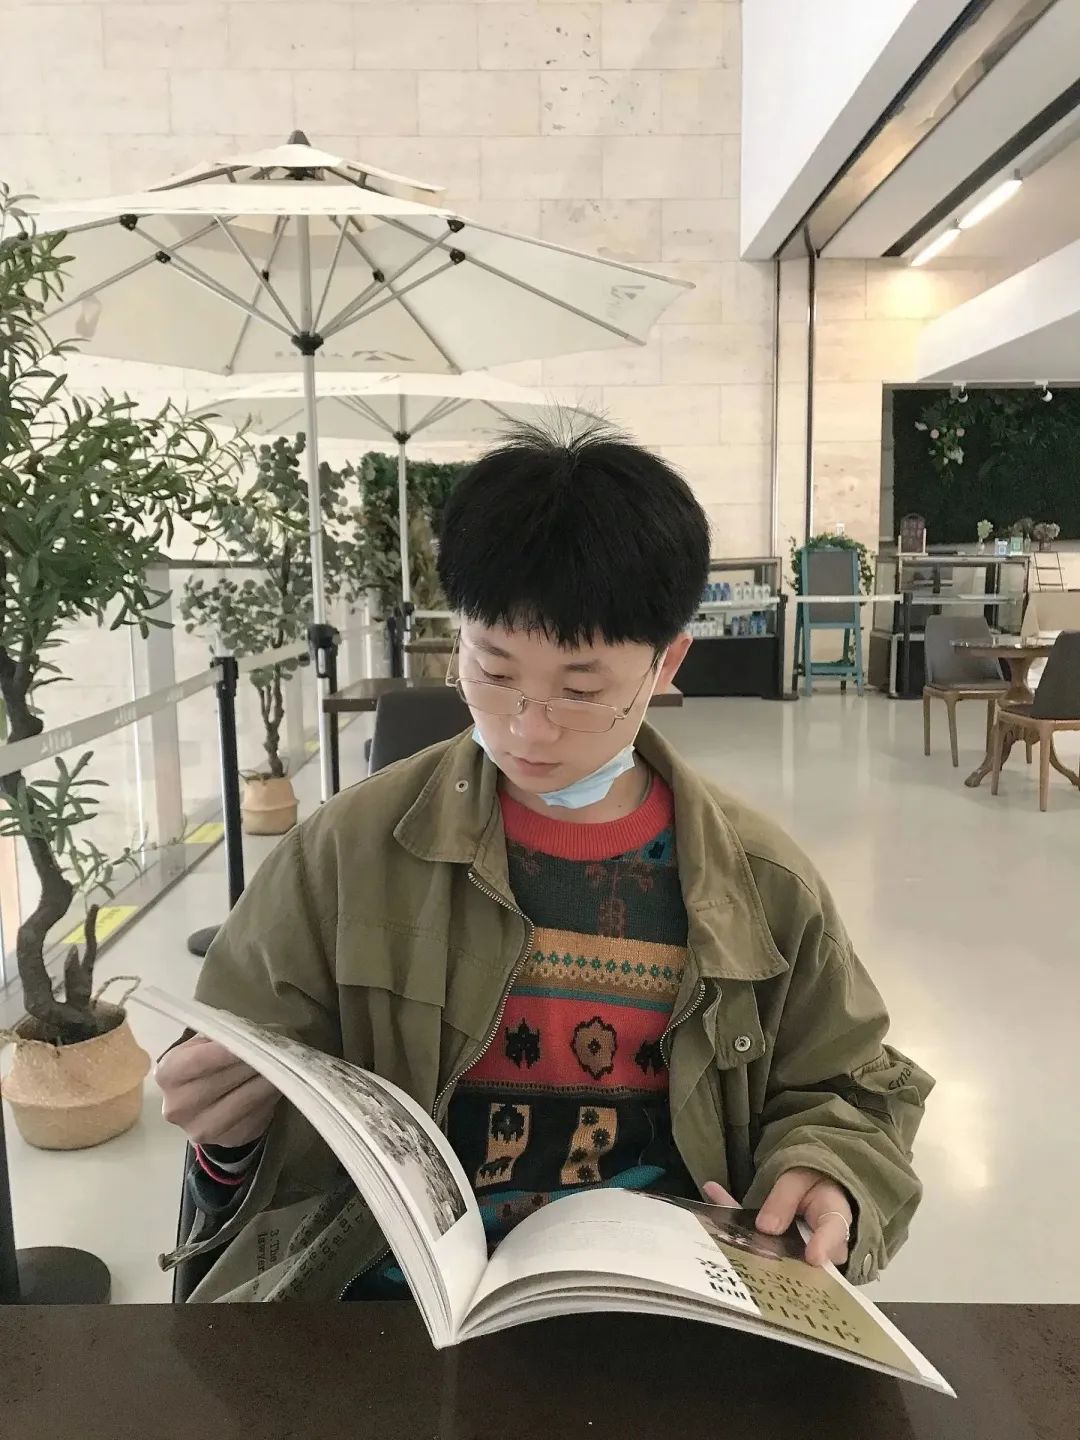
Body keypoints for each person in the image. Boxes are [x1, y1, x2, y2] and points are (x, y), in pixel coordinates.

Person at [156, 419, 933, 1302]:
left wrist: (830, 1172)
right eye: (494, 672)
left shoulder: (761, 884)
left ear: (668, 663)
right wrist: (226, 1140)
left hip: (658, 1303)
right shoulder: (345, 851)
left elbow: (850, 1089)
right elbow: (249, 1094)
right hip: (387, 1301)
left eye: (581, 690)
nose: (528, 729)